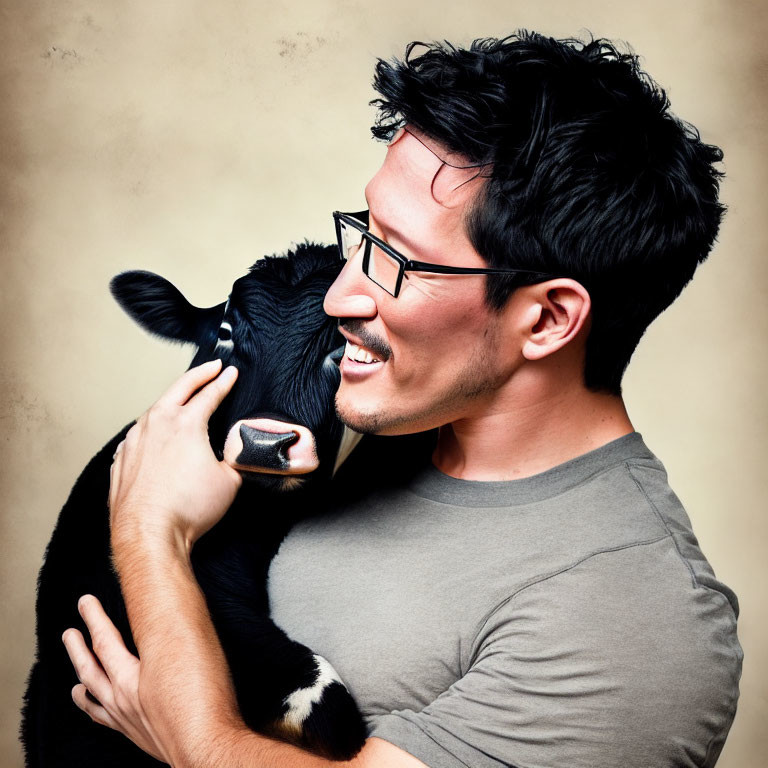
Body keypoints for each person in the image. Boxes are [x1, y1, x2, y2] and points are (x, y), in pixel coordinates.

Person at [62, 32, 742, 767]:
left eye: (394, 260)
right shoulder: (384, 422)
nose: (340, 293)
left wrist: (148, 538)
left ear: (545, 319)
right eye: (364, 236)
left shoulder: (638, 615)